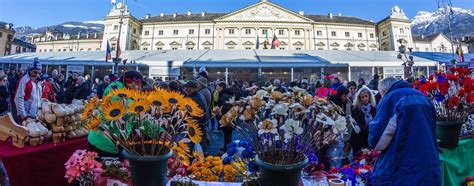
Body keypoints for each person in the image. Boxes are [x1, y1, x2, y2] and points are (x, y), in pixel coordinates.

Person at [369, 77, 440, 185]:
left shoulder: (392, 98)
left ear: (384, 91)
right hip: (428, 164)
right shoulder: (423, 97)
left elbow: (378, 140)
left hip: (403, 166)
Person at [88, 71, 144, 157]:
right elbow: (140, 118)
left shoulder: (115, 89)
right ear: (128, 83)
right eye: (138, 85)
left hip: (97, 137)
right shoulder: (121, 98)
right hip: (106, 142)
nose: (140, 88)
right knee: (109, 169)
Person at [184, 81, 210, 153]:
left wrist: (189, 121)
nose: (186, 90)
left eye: (187, 88)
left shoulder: (196, 98)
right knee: (201, 140)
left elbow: (197, 114)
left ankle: (199, 156)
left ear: (193, 89)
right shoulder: (198, 95)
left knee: (197, 140)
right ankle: (202, 154)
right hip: (203, 122)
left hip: (199, 123)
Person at [15, 59, 42, 123]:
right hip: (26, 115)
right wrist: (24, 116)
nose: (37, 74)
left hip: (34, 114)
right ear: (30, 70)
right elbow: (18, 98)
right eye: (35, 72)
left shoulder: (38, 81)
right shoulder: (24, 81)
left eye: (39, 72)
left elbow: (38, 97)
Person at [350, 86, 376, 154]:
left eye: (366, 96)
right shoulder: (355, 108)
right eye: (362, 97)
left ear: (369, 96)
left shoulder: (373, 107)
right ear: (359, 98)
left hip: (369, 135)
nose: (365, 98)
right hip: (359, 136)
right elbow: (357, 122)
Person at [213, 81, 236, 151]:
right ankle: (226, 147)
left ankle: (227, 149)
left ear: (222, 87)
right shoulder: (226, 94)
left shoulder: (223, 95)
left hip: (226, 118)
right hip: (229, 116)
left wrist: (220, 113)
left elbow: (225, 107)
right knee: (227, 134)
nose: (216, 88)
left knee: (227, 134)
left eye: (218, 87)